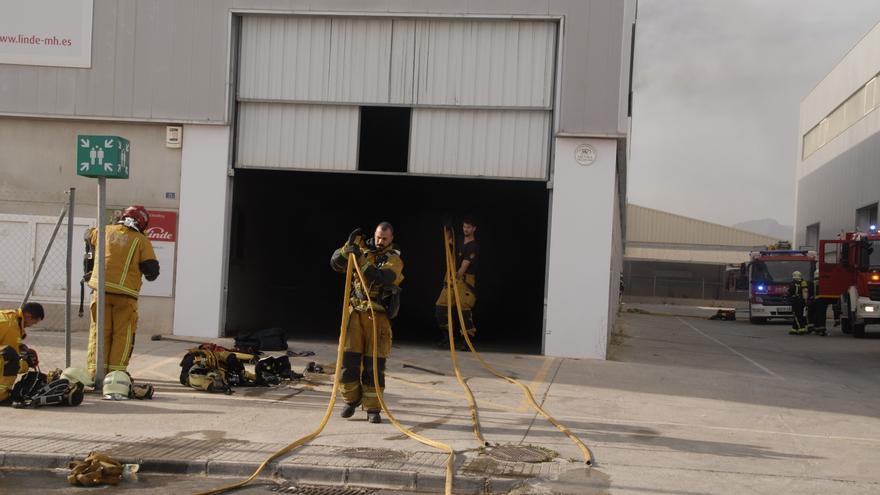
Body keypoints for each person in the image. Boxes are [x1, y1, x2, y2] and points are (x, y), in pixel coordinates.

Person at [330, 222, 404, 424]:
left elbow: (383, 278)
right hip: (355, 314)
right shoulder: (360, 250)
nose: (380, 241)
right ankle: (351, 400)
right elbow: (335, 263)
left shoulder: (394, 259)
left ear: (391, 239)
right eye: (379, 237)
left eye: (385, 239)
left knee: (374, 365)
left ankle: (373, 408)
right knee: (348, 362)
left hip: (377, 317)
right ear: (375, 234)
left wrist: (360, 258)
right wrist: (347, 248)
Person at [85, 205, 159, 378]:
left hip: (100, 293)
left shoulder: (104, 231)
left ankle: (95, 373)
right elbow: (152, 271)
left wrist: (90, 266)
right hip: (125, 297)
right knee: (122, 336)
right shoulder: (141, 240)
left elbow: (87, 235)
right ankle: (115, 375)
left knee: (99, 333)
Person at [435, 217, 479, 351]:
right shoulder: (459, 239)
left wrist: (456, 276)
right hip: (452, 278)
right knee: (441, 306)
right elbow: (449, 241)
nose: (466, 229)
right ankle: (448, 338)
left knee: (464, 310)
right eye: (465, 226)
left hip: (464, 280)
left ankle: (468, 342)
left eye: (469, 227)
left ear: (474, 229)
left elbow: (464, 266)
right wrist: (447, 229)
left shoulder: (473, 246)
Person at [0, 302, 44, 405]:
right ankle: (1, 396)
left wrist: (20, 347)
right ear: (28, 316)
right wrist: (27, 363)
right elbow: (10, 356)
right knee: (11, 360)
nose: (32, 325)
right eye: (34, 322)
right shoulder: (12, 326)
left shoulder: (9, 317)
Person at [788, 270, 809, 335]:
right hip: (802, 301)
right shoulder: (803, 282)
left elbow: (790, 292)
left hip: (796, 301)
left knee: (796, 315)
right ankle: (794, 328)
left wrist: (789, 297)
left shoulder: (792, 283)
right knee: (800, 314)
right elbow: (806, 292)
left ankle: (801, 328)